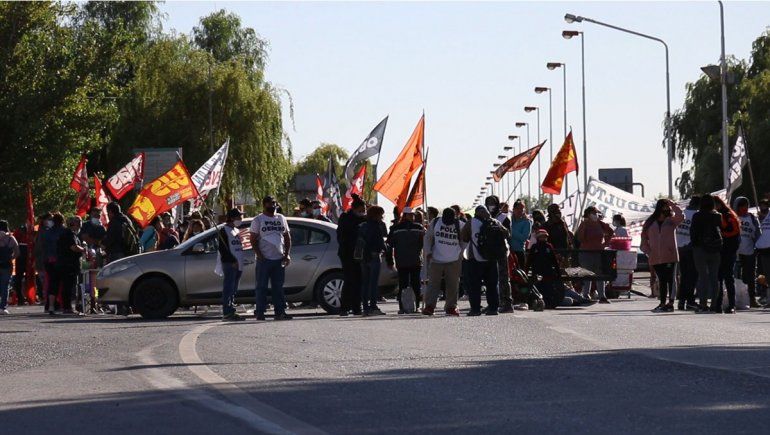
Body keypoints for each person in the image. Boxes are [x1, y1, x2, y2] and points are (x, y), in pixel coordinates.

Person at [249, 196, 292, 321]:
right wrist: (260, 255)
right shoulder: (258, 220)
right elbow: (253, 240)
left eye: (274, 203)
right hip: (264, 260)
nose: (273, 205)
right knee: (261, 287)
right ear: (264, 205)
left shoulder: (281, 218)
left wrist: (286, 254)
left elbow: (287, 237)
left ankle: (280, 312)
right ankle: (260, 312)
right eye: (270, 203)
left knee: (278, 287)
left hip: (279, 259)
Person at [641, 199, 684, 312]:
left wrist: (673, 204)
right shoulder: (650, 222)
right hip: (655, 257)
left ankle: (670, 302)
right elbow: (644, 239)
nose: (667, 209)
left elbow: (681, 215)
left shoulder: (671, 221)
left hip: (670, 255)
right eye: (664, 206)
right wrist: (648, 251)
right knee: (662, 279)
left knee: (671, 279)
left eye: (668, 207)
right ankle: (662, 303)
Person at [460, 205, 502, 316]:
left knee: (474, 285)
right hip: (492, 258)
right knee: (492, 285)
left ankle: (475, 309)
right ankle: (493, 308)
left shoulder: (471, 222)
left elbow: (464, 237)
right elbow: (506, 234)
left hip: (475, 258)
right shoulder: (495, 222)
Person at [423, 208, 465, 316]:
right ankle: (430, 306)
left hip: (454, 259)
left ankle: (451, 307)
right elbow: (428, 237)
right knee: (433, 283)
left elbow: (464, 241)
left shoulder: (460, 225)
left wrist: (461, 255)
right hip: (436, 258)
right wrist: (427, 252)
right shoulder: (435, 222)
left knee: (453, 284)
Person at [386, 207, 425, 314]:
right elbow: (424, 243)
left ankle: (402, 307)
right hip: (415, 260)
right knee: (415, 284)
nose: (413, 217)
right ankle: (416, 306)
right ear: (407, 215)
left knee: (403, 284)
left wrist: (390, 261)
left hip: (401, 261)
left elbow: (389, 245)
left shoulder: (395, 228)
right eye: (411, 215)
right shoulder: (419, 227)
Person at [690, 194, 723, 313]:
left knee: (702, 276)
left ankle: (703, 304)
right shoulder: (718, 216)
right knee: (714, 277)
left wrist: (694, 245)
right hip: (715, 249)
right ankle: (714, 304)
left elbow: (693, 233)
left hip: (700, 249)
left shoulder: (697, 216)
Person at [575, 206, 614, 303]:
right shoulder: (584, 224)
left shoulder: (600, 224)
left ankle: (602, 296)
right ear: (588, 214)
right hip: (586, 253)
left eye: (596, 213)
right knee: (587, 274)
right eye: (592, 213)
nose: (595, 215)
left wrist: (606, 243)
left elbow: (611, 232)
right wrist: (585, 225)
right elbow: (580, 238)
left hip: (598, 252)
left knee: (600, 274)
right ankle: (585, 295)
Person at [337, 194, 366, 316]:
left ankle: (356, 307)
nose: (362, 212)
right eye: (361, 210)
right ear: (354, 209)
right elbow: (341, 236)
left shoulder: (364, 219)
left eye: (363, 210)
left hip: (360, 254)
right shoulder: (345, 218)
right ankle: (344, 308)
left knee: (359, 281)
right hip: (348, 254)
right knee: (349, 281)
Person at [485, 195, 513, 313]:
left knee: (503, 279)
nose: (491, 205)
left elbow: (508, 235)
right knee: (490, 280)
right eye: (488, 203)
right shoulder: (486, 218)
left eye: (493, 203)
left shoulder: (503, 218)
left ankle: (507, 303)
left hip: (501, 251)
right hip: (488, 253)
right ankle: (493, 303)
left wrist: (499, 227)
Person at [52, 216, 85, 315]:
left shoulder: (71, 234)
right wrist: (83, 249)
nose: (80, 225)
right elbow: (74, 247)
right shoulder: (69, 234)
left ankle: (66, 306)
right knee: (68, 286)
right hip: (68, 264)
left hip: (66, 263)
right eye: (78, 223)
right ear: (72, 224)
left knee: (67, 286)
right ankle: (67, 307)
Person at [358, 206, 388, 316]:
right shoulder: (376, 226)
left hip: (363, 258)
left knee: (365, 284)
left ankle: (365, 307)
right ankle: (373, 307)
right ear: (376, 215)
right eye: (381, 214)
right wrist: (385, 247)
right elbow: (379, 242)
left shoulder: (363, 226)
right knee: (373, 284)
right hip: (374, 256)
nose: (382, 217)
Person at [714, 196, 741, 313]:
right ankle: (718, 304)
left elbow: (733, 231)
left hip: (728, 251)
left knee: (728, 277)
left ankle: (731, 305)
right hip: (720, 251)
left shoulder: (728, 215)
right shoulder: (718, 214)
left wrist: (720, 233)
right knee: (719, 277)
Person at [218, 208, 246, 321]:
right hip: (230, 264)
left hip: (238, 264)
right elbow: (223, 248)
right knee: (228, 288)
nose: (240, 219)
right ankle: (227, 311)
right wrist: (232, 260)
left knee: (233, 289)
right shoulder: (224, 230)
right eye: (239, 217)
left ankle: (231, 309)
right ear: (232, 218)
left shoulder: (236, 230)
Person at [734, 196, 762, 308]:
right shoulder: (733, 217)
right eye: (742, 206)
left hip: (749, 252)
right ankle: (734, 299)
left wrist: (759, 245)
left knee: (750, 277)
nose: (744, 208)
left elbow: (757, 233)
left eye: (746, 205)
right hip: (735, 252)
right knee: (735, 277)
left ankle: (751, 299)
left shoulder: (752, 218)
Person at [675, 196, 700, 310]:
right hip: (690, 248)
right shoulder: (697, 215)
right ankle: (690, 300)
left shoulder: (682, 213)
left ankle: (681, 301)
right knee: (692, 276)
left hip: (678, 248)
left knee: (684, 276)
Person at [42, 212, 66, 314]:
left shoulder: (47, 232)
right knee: (63, 284)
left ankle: (50, 305)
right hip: (61, 260)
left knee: (51, 283)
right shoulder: (64, 232)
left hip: (49, 260)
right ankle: (61, 305)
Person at [0, 220, 20, 314]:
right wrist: (11, 258)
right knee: (5, 286)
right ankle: (2, 307)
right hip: (6, 265)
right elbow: (17, 252)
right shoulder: (10, 238)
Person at [510, 201, 532, 268]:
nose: (519, 210)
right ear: (513, 209)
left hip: (519, 252)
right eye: (517, 208)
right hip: (508, 252)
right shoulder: (508, 220)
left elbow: (524, 238)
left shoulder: (527, 222)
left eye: (521, 208)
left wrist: (510, 230)